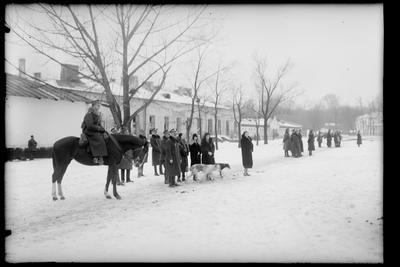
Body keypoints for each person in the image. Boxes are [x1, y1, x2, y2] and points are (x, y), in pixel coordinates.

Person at [81, 100, 108, 165]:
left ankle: (103, 154)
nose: (98, 106)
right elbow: (90, 125)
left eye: (99, 105)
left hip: (95, 130)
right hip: (88, 130)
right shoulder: (89, 114)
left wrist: (103, 130)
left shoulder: (97, 114)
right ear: (93, 106)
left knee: (106, 135)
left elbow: (98, 124)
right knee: (98, 137)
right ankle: (96, 157)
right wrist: (99, 128)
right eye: (97, 105)